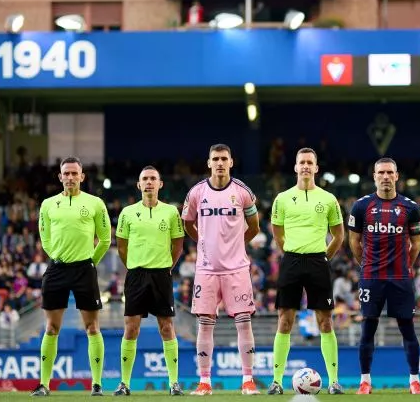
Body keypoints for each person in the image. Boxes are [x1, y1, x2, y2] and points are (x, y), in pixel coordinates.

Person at [181, 144, 262, 395]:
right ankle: (204, 382)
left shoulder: (243, 192)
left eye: (223, 159)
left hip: (237, 269)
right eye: (215, 159)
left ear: (231, 162)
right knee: (205, 324)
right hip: (206, 270)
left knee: (243, 322)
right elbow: (187, 223)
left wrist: (236, 244)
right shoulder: (196, 193)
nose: (219, 163)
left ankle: (248, 380)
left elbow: (255, 226)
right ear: (208, 163)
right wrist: (203, 242)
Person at [267, 147, 345, 395]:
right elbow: (277, 233)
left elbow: (338, 234)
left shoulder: (328, 199)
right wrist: (290, 252)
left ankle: (334, 381)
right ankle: (276, 382)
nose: (306, 166)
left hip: (317, 262)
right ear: (295, 166)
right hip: (291, 260)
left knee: (325, 321)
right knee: (285, 320)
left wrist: (323, 257)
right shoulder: (282, 198)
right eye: (302, 162)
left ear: (316, 167)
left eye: (310, 162)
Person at [32, 157, 112, 397]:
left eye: (74, 173)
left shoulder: (96, 203)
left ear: (82, 176)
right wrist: (57, 256)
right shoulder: (48, 204)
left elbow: (106, 239)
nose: (69, 177)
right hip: (57, 270)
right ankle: (44, 384)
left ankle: (96, 384)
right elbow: (45, 239)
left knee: (92, 327)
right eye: (65, 173)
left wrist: (90, 263)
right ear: (60, 177)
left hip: (84, 270)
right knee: (52, 327)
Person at [347, 158, 420, 394]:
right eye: (381, 172)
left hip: (400, 277)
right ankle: (365, 381)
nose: (386, 176)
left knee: (407, 328)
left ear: (397, 176)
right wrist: (366, 265)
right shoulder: (362, 206)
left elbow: (417, 243)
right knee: (368, 328)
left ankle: (414, 381)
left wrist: (405, 266)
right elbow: (354, 241)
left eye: (390, 172)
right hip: (371, 277)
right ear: (374, 176)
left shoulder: (410, 207)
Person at [114, 166, 185, 396]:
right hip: (136, 275)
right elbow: (122, 248)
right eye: (144, 179)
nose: (149, 182)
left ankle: (174, 383)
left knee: (167, 328)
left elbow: (178, 246)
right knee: (131, 329)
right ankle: (124, 384)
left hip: (161, 275)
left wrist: (166, 267)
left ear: (160, 184)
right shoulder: (126, 213)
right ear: (138, 185)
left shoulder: (172, 212)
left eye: (153, 178)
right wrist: (135, 266)